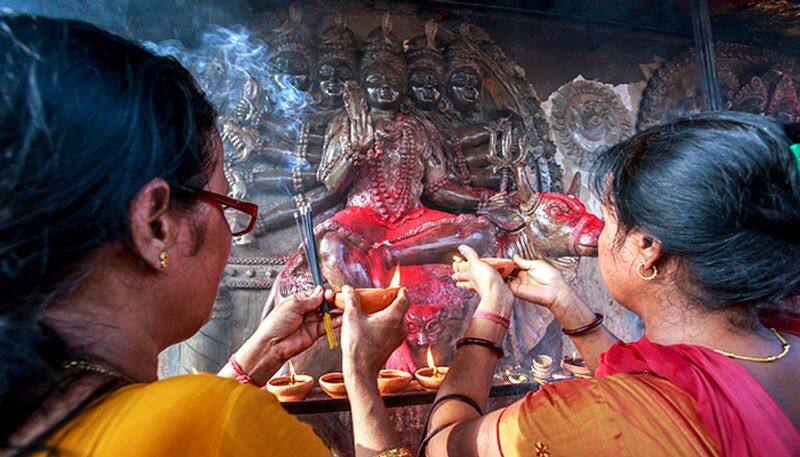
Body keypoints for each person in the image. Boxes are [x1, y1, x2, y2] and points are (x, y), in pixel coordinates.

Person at [0, 15, 412, 456]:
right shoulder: (220, 423)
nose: (232, 233)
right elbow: (202, 431)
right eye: (226, 206)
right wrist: (362, 377)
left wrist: (255, 359)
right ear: (155, 225)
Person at [362, 111, 798, 456]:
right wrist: (566, 305)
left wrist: (489, 312)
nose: (601, 235)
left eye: (608, 220)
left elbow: (442, 447)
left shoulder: (599, 418)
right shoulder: (784, 344)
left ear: (648, 247)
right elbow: (674, 381)